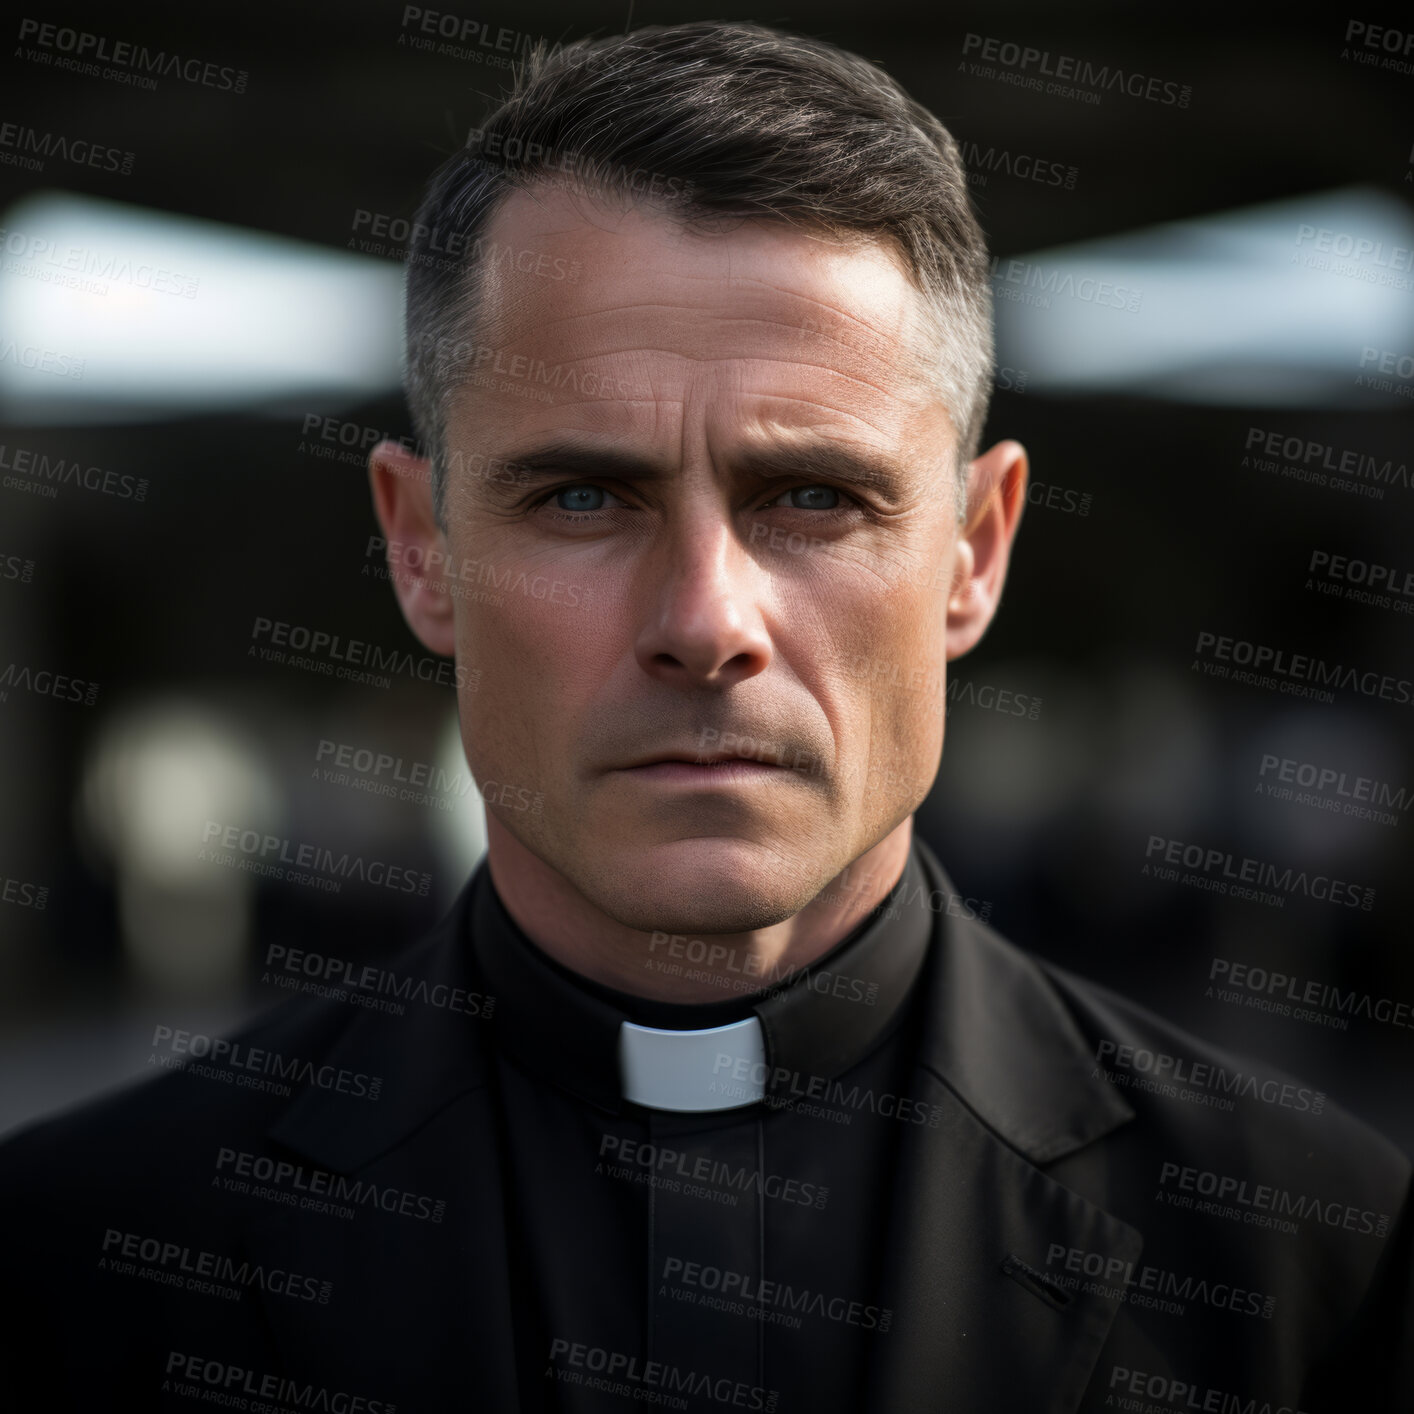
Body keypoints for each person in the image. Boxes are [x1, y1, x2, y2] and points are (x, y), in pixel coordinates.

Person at [1, 21, 1409, 1413]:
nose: (703, 619)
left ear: (974, 550)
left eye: (812, 496)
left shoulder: (1321, 1253)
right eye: (580, 497)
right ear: (420, 549)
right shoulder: (70, 1252)